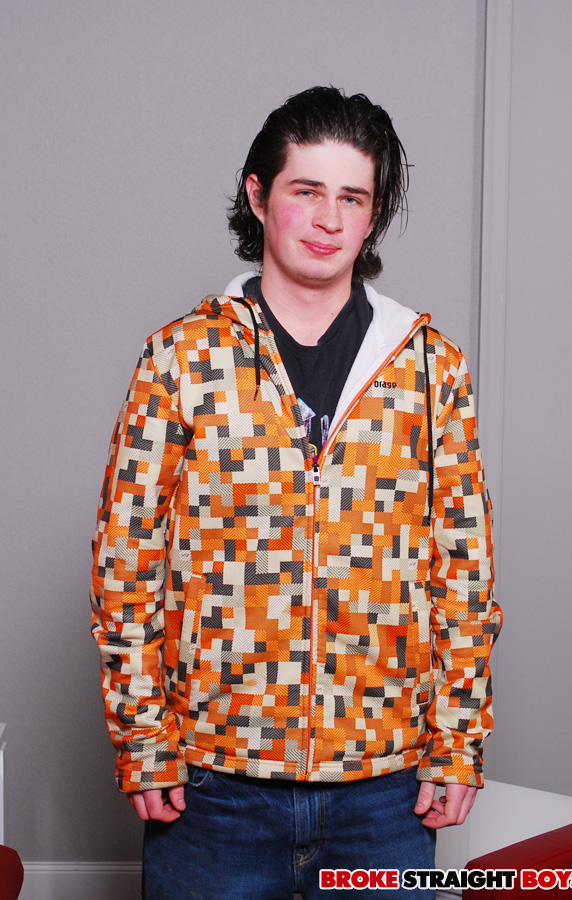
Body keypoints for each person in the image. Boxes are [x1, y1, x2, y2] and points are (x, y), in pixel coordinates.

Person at [90, 86, 502, 899]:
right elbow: (125, 559)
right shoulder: (182, 358)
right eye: (306, 191)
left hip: (383, 789)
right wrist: (141, 739)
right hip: (212, 786)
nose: (328, 220)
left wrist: (458, 742)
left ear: (373, 215)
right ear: (258, 195)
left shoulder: (429, 367)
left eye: (353, 198)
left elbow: (464, 567)